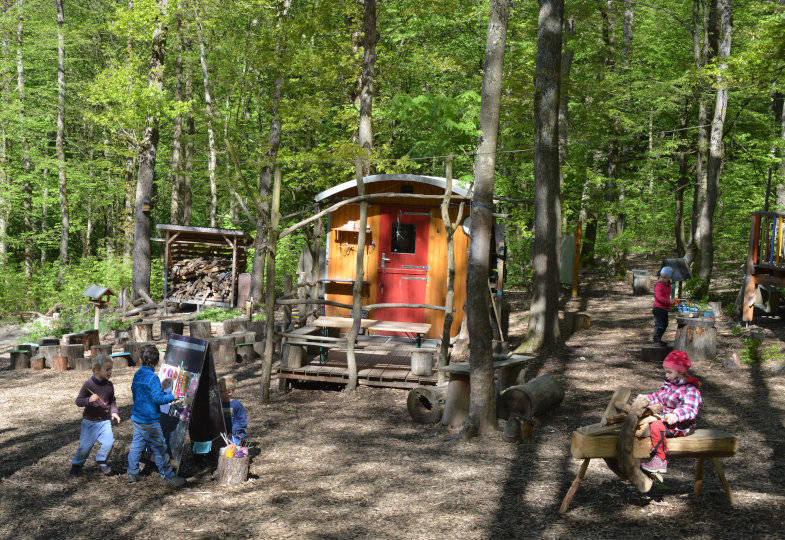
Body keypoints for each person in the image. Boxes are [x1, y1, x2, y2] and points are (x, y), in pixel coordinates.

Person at [126, 345, 186, 487]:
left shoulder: (138, 374)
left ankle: (132, 473)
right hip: (149, 421)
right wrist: (172, 396)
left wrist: (165, 395)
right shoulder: (153, 378)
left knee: (136, 446)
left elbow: (146, 394)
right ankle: (168, 476)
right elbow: (157, 399)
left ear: (140, 360)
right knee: (160, 448)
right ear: (157, 361)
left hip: (137, 418)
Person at [638, 350, 702, 474]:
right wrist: (645, 399)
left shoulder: (690, 390)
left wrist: (676, 415)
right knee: (643, 422)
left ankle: (660, 459)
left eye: (669, 372)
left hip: (680, 425)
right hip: (665, 419)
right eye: (665, 371)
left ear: (680, 371)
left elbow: (690, 409)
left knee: (655, 425)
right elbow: (658, 397)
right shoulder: (669, 385)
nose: (666, 375)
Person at [70, 355, 121, 476]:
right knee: (84, 447)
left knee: (109, 442)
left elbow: (112, 400)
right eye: (107, 369)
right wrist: (89, 400)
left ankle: (101, 460)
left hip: (104, 421)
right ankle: (76, 465)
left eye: (111, 369)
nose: (110, 372)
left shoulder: (109, 385)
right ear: (97, 370)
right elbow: (78, 401)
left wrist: (114, 412)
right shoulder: (88, 385)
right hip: (90, 422)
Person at [219, 376, 247, 446]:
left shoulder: (236, 405)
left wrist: (232, 433)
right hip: (222, 434)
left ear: (229, 392)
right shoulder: (217, 404)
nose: (218, 393)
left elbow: (241, 422)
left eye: (220, 391)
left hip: (235, 434)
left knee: (233, 445)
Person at [653, 266, 676, 347]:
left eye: (665, 277)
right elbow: (659, 298)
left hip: (664, 308)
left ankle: (659, 339)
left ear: (669, 277)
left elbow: (666, 297)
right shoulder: (658, 285)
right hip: (658, 308)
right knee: (659, 325)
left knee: (665, 324)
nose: (662, 279)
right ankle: (656, 340)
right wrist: (668, 302)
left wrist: (670, 305)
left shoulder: (668, 285)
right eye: (661, 277)